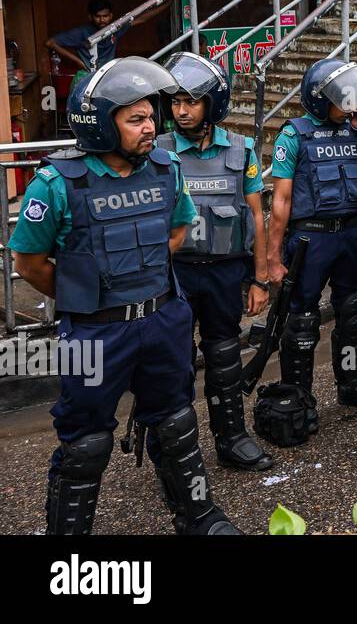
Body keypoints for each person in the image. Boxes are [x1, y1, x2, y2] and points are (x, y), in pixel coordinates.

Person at [10, 57, 238, 534]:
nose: (151, 126)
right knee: (85, 444)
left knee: (176, 425)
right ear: (100, 126)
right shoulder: (56, 184)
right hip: (94, 334)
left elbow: (176, 231)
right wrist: (86, 294)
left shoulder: (166, 168)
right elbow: (28, 264)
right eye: (135, 119)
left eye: (150, 116)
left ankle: (200, 519)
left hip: (161, 321)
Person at [157, 52, 272, 472]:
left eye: (191, 101)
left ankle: (232, 439)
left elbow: (255, 217)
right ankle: (176, 455)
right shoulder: (158, 152)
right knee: (174, 363)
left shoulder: (241, 150)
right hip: (175, 276)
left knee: (225, 358)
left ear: (213, 104)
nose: (181, 110)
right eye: (175, 101)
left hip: (225, 274)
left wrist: (261, 281)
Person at [267, 59, 357, 428]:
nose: (349, 104)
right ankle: (300, 398)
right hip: (309, 238)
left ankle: (349, 383)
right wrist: (272, 259)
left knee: (352, 313)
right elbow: (280, 201)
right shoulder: (294, 134)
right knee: (301, 321)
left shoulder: (354, 129)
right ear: (319, 99)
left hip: (349, 233)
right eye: (340, 98)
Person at [47, 0, 168, 74]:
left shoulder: (114, 28)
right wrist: (80, 62)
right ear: (90, 17)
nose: (102, 20)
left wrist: (167, 4)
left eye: (105, 16)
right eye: (98, 16)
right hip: (89, 75)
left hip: (108, 74)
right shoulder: (81, 32)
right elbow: (50, 43)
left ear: (111, 16)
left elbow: (141, 19)